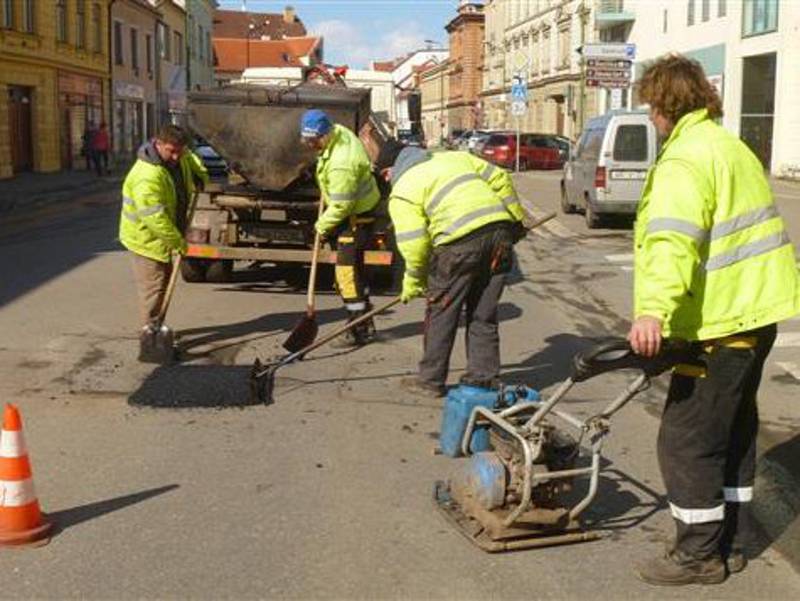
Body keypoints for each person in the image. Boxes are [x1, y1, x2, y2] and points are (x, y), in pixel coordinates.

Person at [628, 54, 800, 586]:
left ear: (663, 104)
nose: (651, 118)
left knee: (687, 437)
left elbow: (673, 239)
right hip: (756, 315)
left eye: (652, 107)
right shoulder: (732, 148)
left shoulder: (685, 158)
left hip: (719, 323)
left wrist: (653, 308)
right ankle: (733, 539)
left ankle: (698, 555)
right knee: (734, 430)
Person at [375, 141, 527, 398]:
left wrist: (413, 280)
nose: (387, 180)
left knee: (442, 311)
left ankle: (430, 381)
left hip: (459, 246)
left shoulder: (403, 188)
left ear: (390, 170)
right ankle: (484, 378)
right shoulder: (455, 158)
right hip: (499, 237)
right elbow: (500, 178)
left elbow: (414, 244)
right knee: (483, 313)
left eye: (384, 175)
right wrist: (515, 220)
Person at [119, 124, 208, 359]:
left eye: (180, 151)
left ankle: (159, 325)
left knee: (165, 283)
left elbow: (192, 160)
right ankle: (150, 335)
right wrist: (179, 242)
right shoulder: (146, 176)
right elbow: (154, 219)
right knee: (155, 289)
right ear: (157, 144)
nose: (177, 156)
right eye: (172, 151)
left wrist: (200, 175)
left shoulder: (180, 156)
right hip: (146, 239)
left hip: (167, 234)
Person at [299, 109, 382, 347]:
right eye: (307, 139)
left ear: (326, 134)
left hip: (354, 220)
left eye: (314, 140)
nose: (310, 144)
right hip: (360, 213)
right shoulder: (340, 132)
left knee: (346, 276)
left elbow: (343, 205)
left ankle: (358, 328)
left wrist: (320, 226)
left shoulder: (341, 165)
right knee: (356, 273)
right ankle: (365, 323)